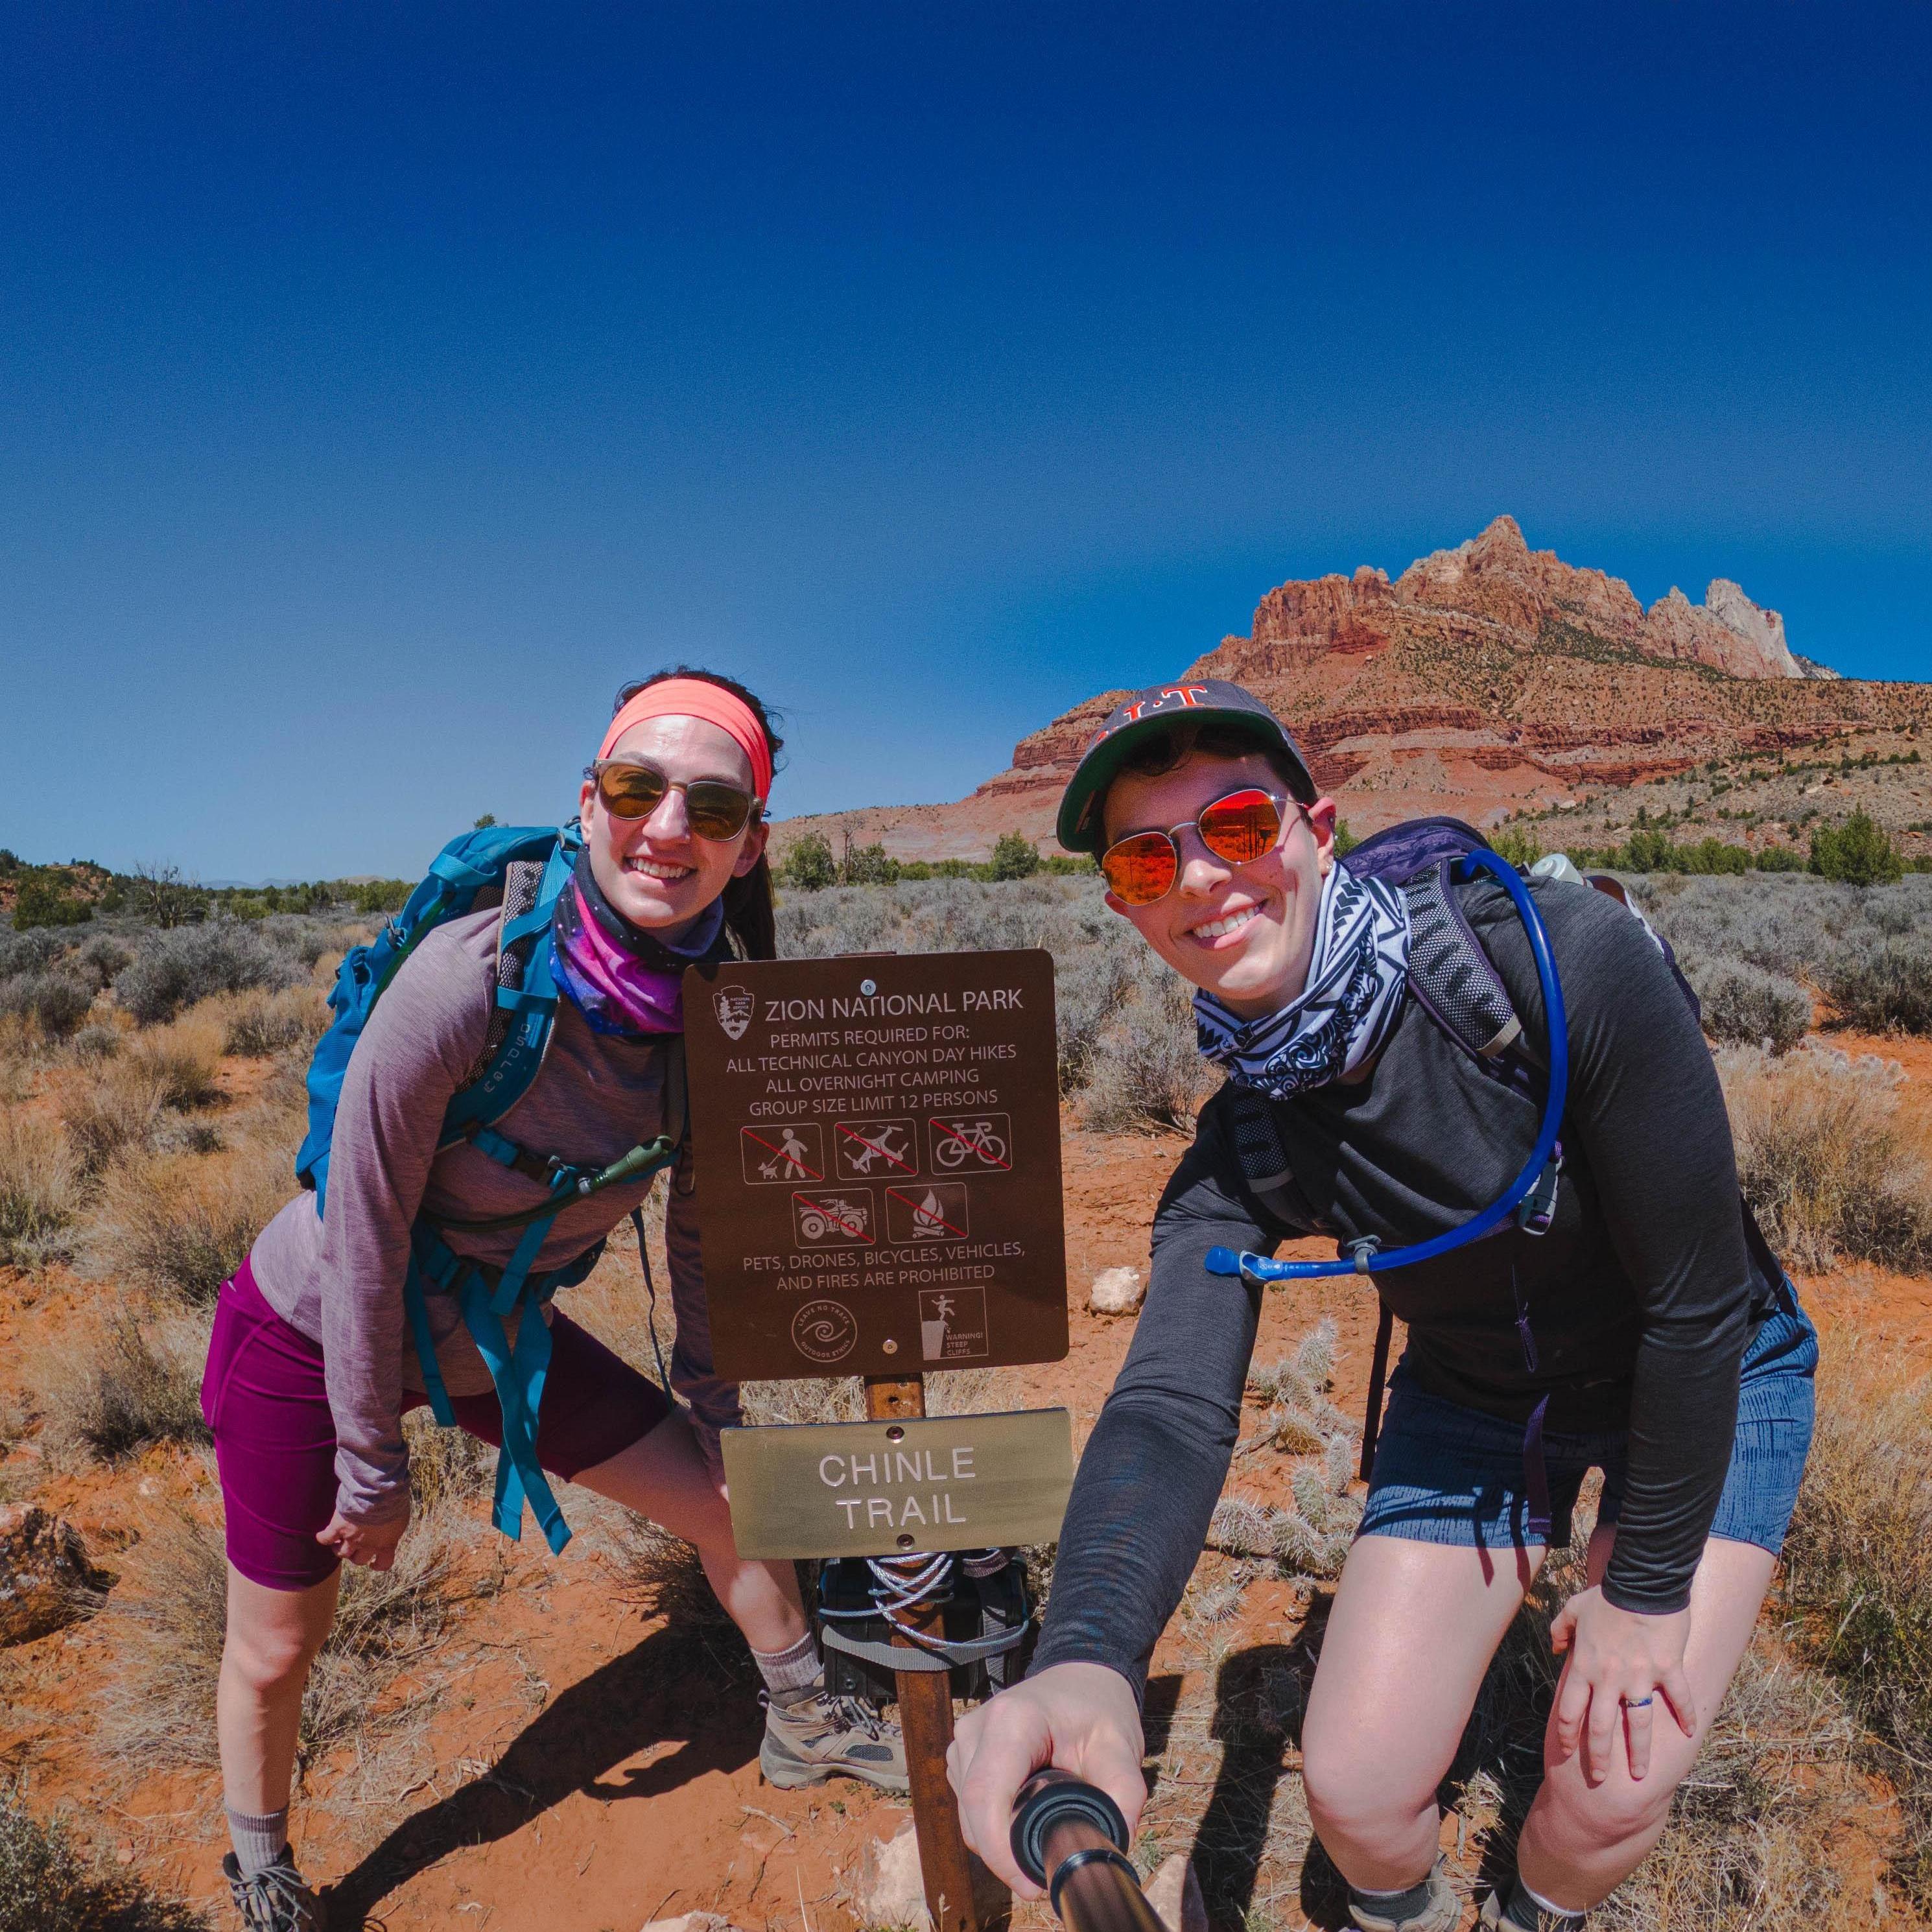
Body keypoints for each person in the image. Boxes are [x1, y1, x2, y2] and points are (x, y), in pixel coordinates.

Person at [948, 679, 1817, 1932]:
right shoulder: (1245, 1144)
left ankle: (1537, 1912)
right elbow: (1171, 1405)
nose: (1199, 878)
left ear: (1318, 827)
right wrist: (1086, 1651)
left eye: (1238, 828)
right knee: (1354, 1795)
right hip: (1479, 1391)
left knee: (1608, 1797)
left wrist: (1642, 1594)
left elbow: (1697, 1305)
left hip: (1707, 1367)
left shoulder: (1559, 962)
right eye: (1148, 858)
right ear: (1122, 903)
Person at [204, 670, 905, 1932]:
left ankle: (804, 1713)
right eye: (638, 789)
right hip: (310, 1329)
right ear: (588, 803)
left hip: (487, 1332)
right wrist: (369, 1461)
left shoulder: (713, 1024)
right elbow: (360, 1230)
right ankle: (260, 1863)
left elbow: (698, 1238)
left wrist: (719, 1412)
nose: (668, 826)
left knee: (722, 1497)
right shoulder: (462, 983)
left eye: (713, 802)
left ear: (751, 842)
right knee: (278, 1639)